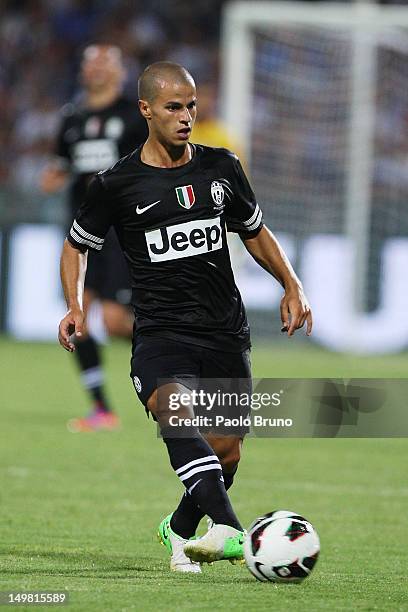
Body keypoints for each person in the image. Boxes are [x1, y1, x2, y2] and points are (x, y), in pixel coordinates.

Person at [58, 62, 312, 572]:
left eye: (191, 105)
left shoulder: (221, 167)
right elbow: (76, 245)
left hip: (224, 329)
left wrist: (291, 283)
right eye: (174, 107)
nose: (186, 116)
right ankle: (232, 530)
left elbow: (254, 231)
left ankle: (177, 530)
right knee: (173, 410)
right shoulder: (118, 183)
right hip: (159, 330)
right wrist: (76, 304)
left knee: (228, 453)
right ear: (146, 109)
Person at [42, 45, 148, 432]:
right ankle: (102, 409)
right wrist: (54, 176)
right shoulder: (72, 118)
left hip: (123, 232)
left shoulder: (135, 116)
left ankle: (180, 351)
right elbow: (59, 166)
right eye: (91, 62)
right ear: (83, 71)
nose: (98, 69)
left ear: (121, 72)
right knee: (78, 317)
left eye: (106, 62)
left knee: (119, 323)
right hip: (83, 232)